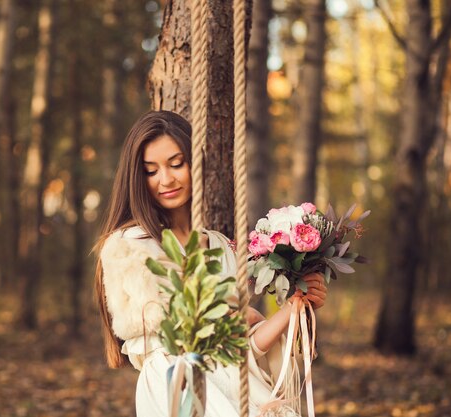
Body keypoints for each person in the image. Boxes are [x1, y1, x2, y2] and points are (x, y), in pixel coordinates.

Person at [94, 110, 327, 417]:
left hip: (236, 386)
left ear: (195, 163)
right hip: (177, 387)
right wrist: (233, 317)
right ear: (137, 177)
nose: (166, 179)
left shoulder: (219, 246)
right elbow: (157, 336)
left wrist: (293, 308)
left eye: (177, 164)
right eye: (151, 171)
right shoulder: (127, 247)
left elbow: (243, 352)